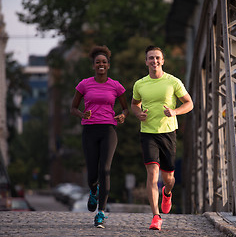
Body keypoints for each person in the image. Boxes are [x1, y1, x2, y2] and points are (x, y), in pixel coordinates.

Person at [131, 45, 193, 230]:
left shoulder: (173, 81)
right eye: (151, 58)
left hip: (167, 133)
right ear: (146, 61)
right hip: (148, 133)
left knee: (168, 179)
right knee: (152, 175)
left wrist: (174, 111)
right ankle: (156, 216)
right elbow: (135, 104)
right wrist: (138, 114)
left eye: (157, 58)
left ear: (163, 61)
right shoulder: (140, 84)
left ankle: (167, 193)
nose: (154, 61)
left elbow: (189, 103)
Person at [70, 45, 129, 228]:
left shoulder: (116, 85)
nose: (101, 65)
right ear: (93, 65)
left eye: (104, 62)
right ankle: (93, 191)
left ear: (108, 65)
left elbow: (125, 108)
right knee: (92, 174)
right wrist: (82, 115)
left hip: (108, 130)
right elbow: (73, 108)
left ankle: (101, 213)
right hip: (89, 130)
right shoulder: (84, 84)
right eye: (98, 62)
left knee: (105, 170)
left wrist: (123, 115)